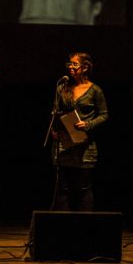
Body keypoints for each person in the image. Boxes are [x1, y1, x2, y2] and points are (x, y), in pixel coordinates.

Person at [49, 52, 107, 211]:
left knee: (83, 187)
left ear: (85, 67)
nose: (70, 67)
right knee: (62, 188)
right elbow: (55, 112)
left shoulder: (95, 90)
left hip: (84, 145)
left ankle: (85, 227)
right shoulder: (63, 87)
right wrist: (54, 129)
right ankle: (62, 226)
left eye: (74, 64)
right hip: (65, 143)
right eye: (69, 63)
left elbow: (104, 115)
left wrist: (88, 124)